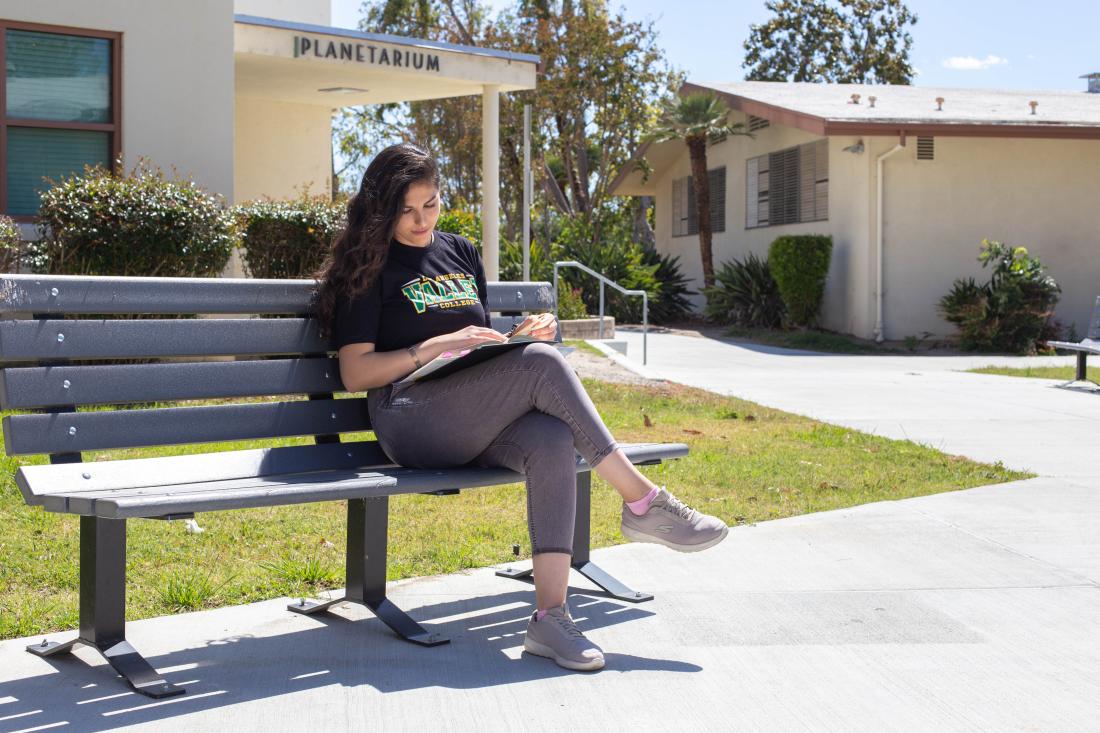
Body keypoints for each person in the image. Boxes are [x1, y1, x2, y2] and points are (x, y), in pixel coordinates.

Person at [314, 142, 728, 672]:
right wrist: (431, 348)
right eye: (407, 209)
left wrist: (512, 337)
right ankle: (644, 502)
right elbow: (355, 372)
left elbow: (480, 345)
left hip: (474, 414)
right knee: (541, 364)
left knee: (551, 436)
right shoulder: (369, 266)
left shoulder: (459, 251)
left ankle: (549, 620)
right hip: (409, 417)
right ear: (381, 208)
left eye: (431, 205)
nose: (421, 221)